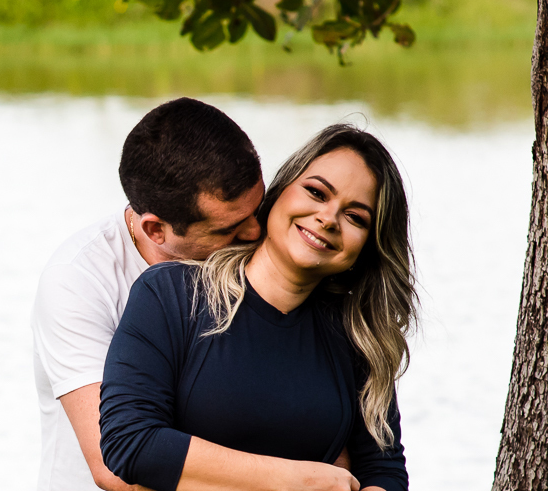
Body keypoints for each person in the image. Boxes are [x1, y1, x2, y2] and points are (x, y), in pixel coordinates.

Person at [99, 124, 417, 491]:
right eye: (316, 192)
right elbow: (130, 442)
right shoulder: (171, 294)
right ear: (278, 193)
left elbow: (384, 469)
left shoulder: (358, 337)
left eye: (355, 217)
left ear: (367, 247)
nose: (328, 219)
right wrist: (296, 480)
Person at [32, 98, 266, 491]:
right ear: (156, 230)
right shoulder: (77, 281)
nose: (256, 234)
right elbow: (115, 468)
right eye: (230, 228)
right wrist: (294, 479)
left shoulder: (256, 247)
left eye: (257, 210)